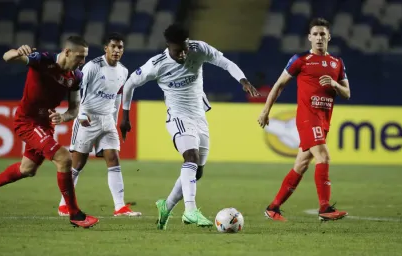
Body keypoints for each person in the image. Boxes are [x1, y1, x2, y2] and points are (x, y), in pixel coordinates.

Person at [119, 23, 259, 230]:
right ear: (168, 46)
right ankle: (190, 210)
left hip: (199, 116)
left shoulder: (198, 48)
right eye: (178, 50)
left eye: (184, 48)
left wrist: (243, 80)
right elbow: (129, 84)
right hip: (178, 116)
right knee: (190, 157)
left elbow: (225, 62)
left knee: (197, 172)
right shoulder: (157, 64)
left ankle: (166, 206)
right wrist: (125, 116)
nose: (183, 54)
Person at [0, 36, 99, 228]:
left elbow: (74, 109)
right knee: (64, 158)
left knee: (28, 169)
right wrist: (17, 52)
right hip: (27, 121)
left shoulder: (76, 77)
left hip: (45, 125)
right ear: (67, 52)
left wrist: (64, 117)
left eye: (85, 57)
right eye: (79, 57)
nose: (82, 62)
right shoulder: (43, 60)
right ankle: (75, 214)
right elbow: (6, 57)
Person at [258, 18, 350, 222]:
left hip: (324, 119)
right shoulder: (300, 60)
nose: (319, 37)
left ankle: (273, 208)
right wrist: (265, 110)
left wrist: (334, 84)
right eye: (315, 34)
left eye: (322, 34)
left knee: (301, 164)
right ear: (309, 37)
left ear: (329, 37)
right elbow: (279, 85)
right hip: (308, 118)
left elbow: (347, 93)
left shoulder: (337, 63)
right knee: (323, 157)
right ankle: (324, 208)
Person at [57, 33, 141, 217]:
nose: (117, 50)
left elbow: (118, 97)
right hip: (88, 118)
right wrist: (81, 114)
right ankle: (64, 205)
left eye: (120, 47)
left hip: (107, 119)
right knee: (77, 163)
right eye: (113, 46)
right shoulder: (93, 67)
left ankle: (120, 207)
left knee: (113, 159)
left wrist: (118, 119)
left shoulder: (123, 71)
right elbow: (78, 89)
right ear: (106, 48)